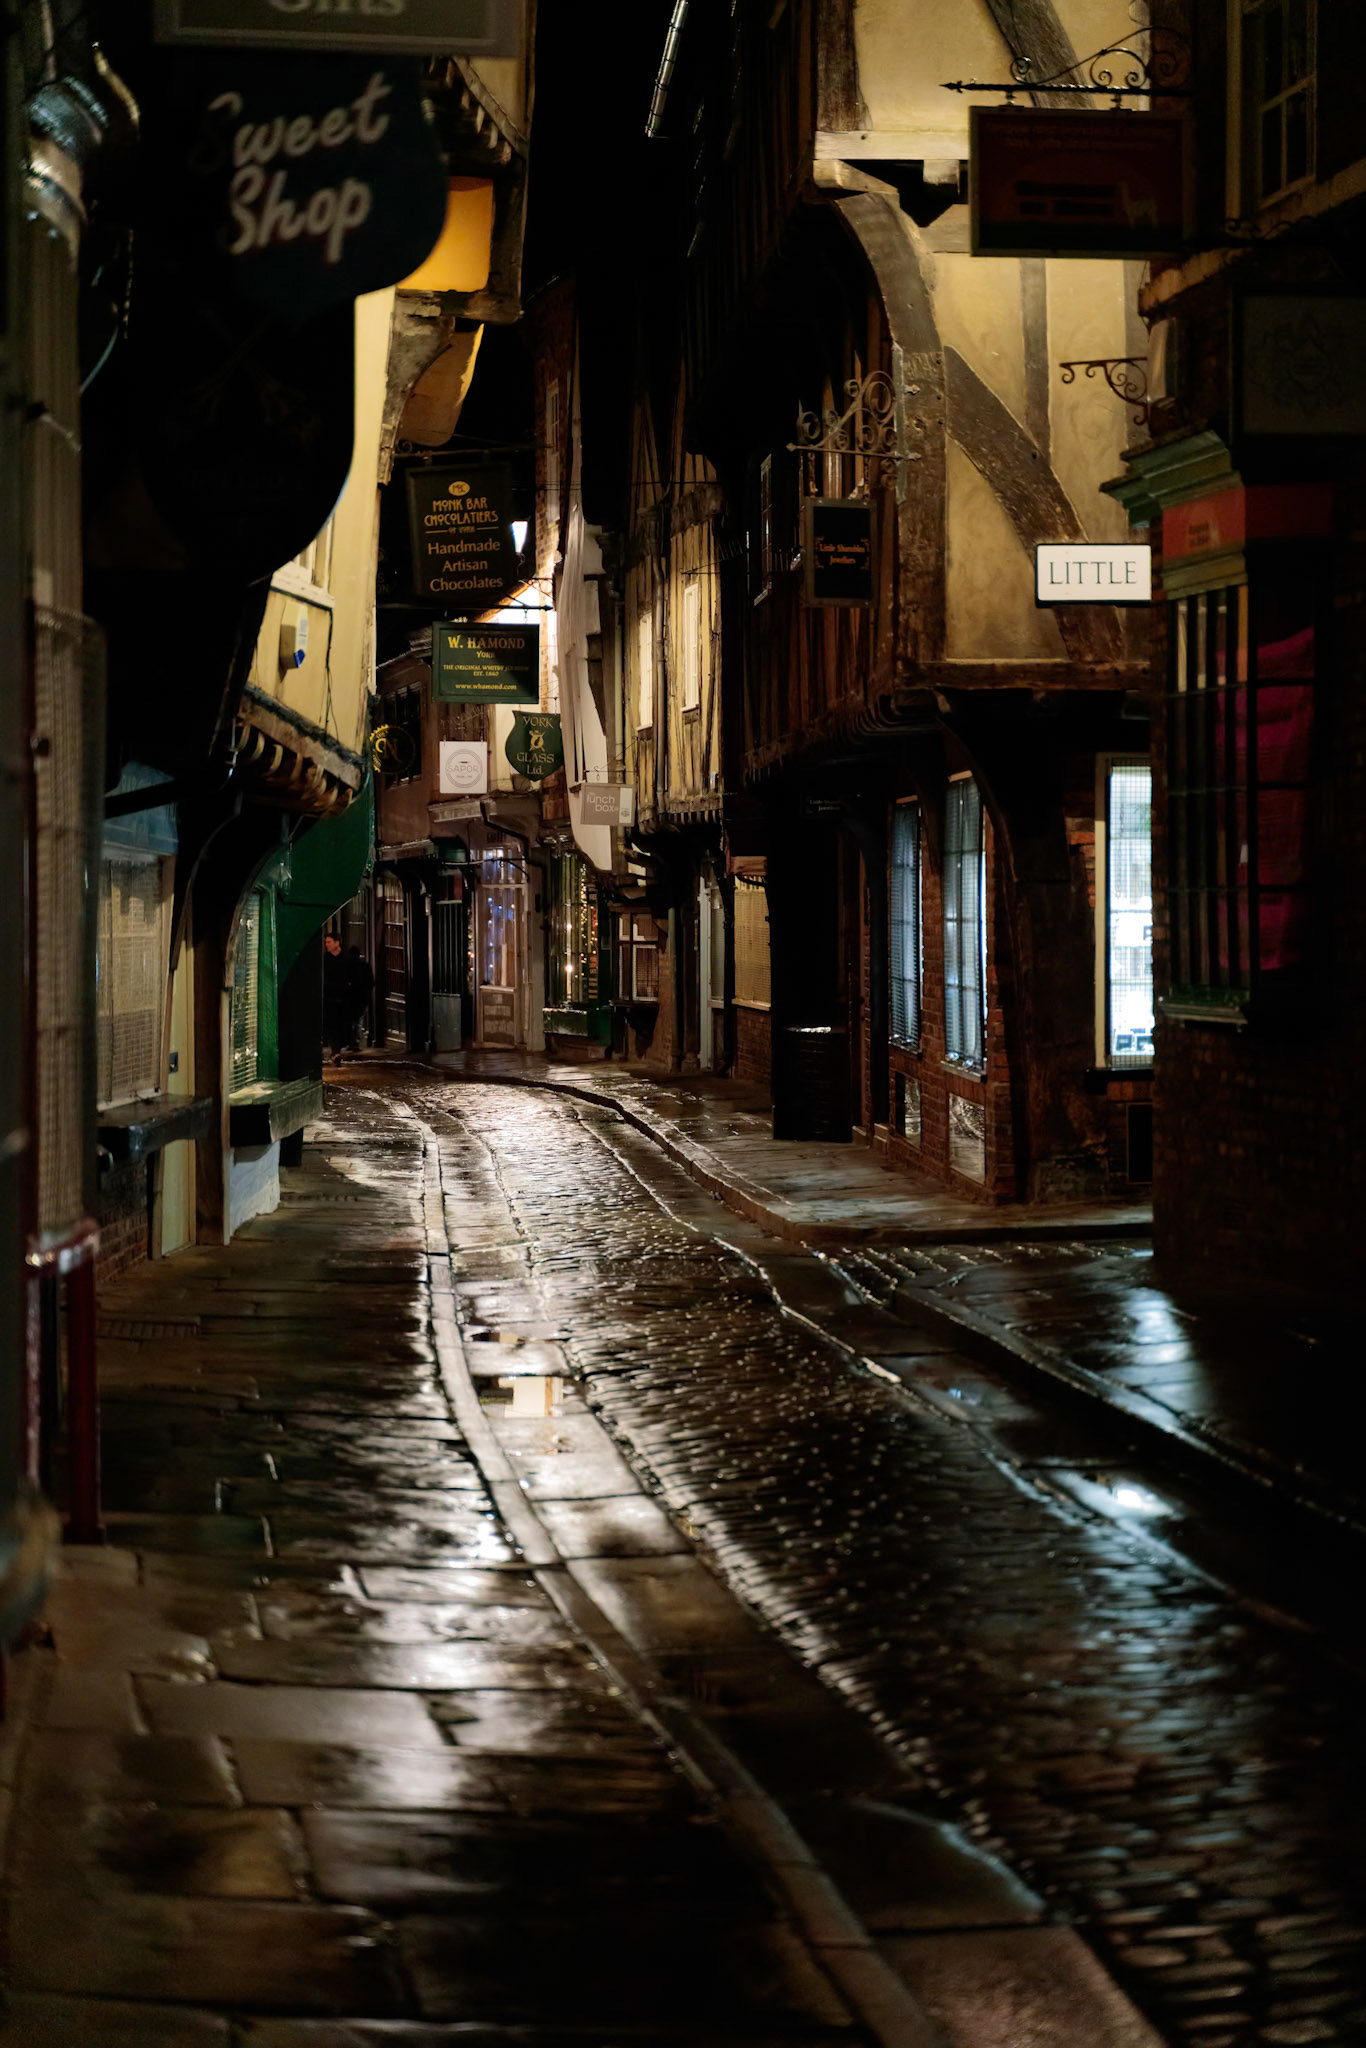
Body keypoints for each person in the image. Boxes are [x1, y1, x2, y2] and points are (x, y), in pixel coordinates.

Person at [342, 945, 374, 1056]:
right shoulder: (364, 965)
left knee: (349, 1021)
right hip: (361, 997)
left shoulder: (346, 966)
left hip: (348, 997)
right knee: (357, 1021)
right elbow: (371, 982)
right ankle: (355, 1043)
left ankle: (350, 1042)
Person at [322, 933, 346, 1064]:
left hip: (344, 999)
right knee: (332, 1026)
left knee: (343, 1026)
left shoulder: (346, 959)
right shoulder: (325, 960)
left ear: (337, 943)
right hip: (330, 999)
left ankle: (338, 1049)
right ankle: (335, 1051)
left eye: (329, 942)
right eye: (326, 942)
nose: (327, 945)